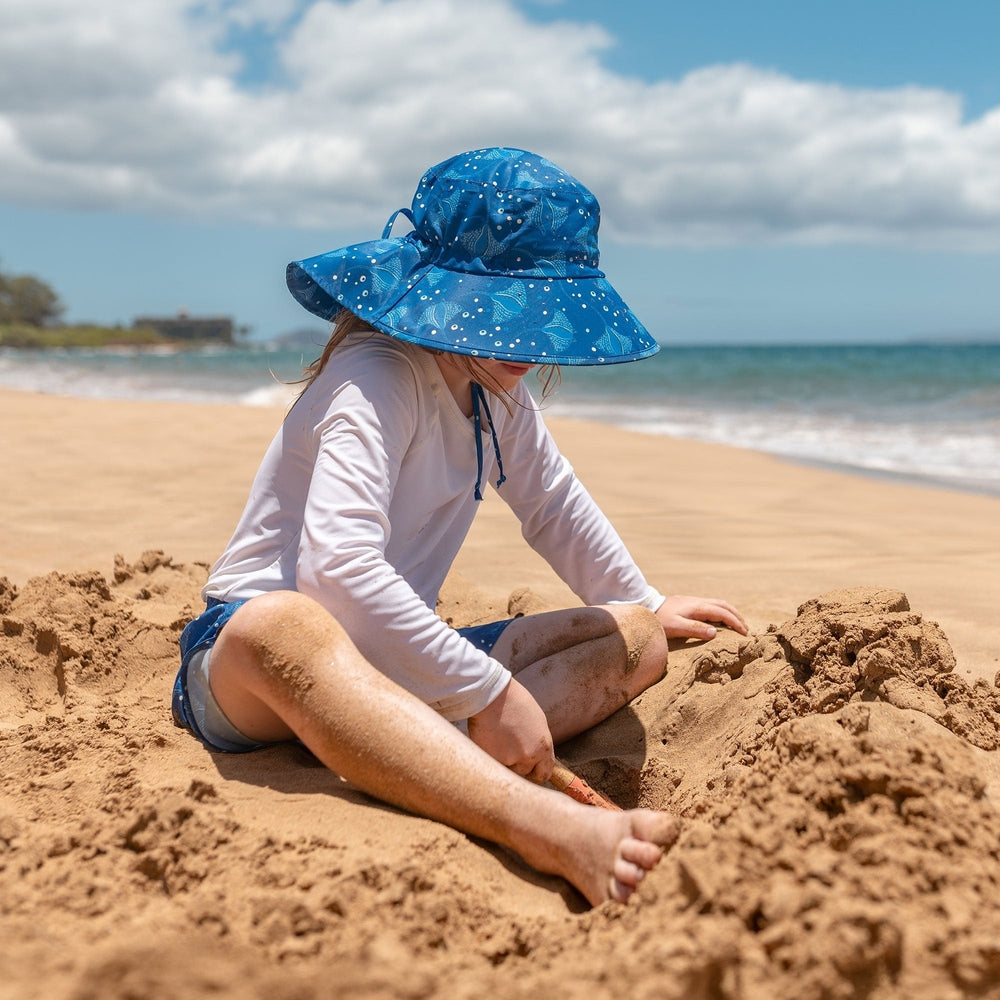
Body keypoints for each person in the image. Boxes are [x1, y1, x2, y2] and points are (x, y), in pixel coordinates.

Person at [171, 146, 746, 906]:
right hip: (248, 671)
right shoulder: (376, 378)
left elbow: (553, 505)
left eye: (542, 313)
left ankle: (399, 749)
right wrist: (486, 693)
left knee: (636, 640)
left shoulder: (499, 397)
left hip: (384, 670)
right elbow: (336, 572)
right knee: (287, 623)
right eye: (506, 307)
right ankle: (534, 822)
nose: (526, 338)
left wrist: (643, 596)